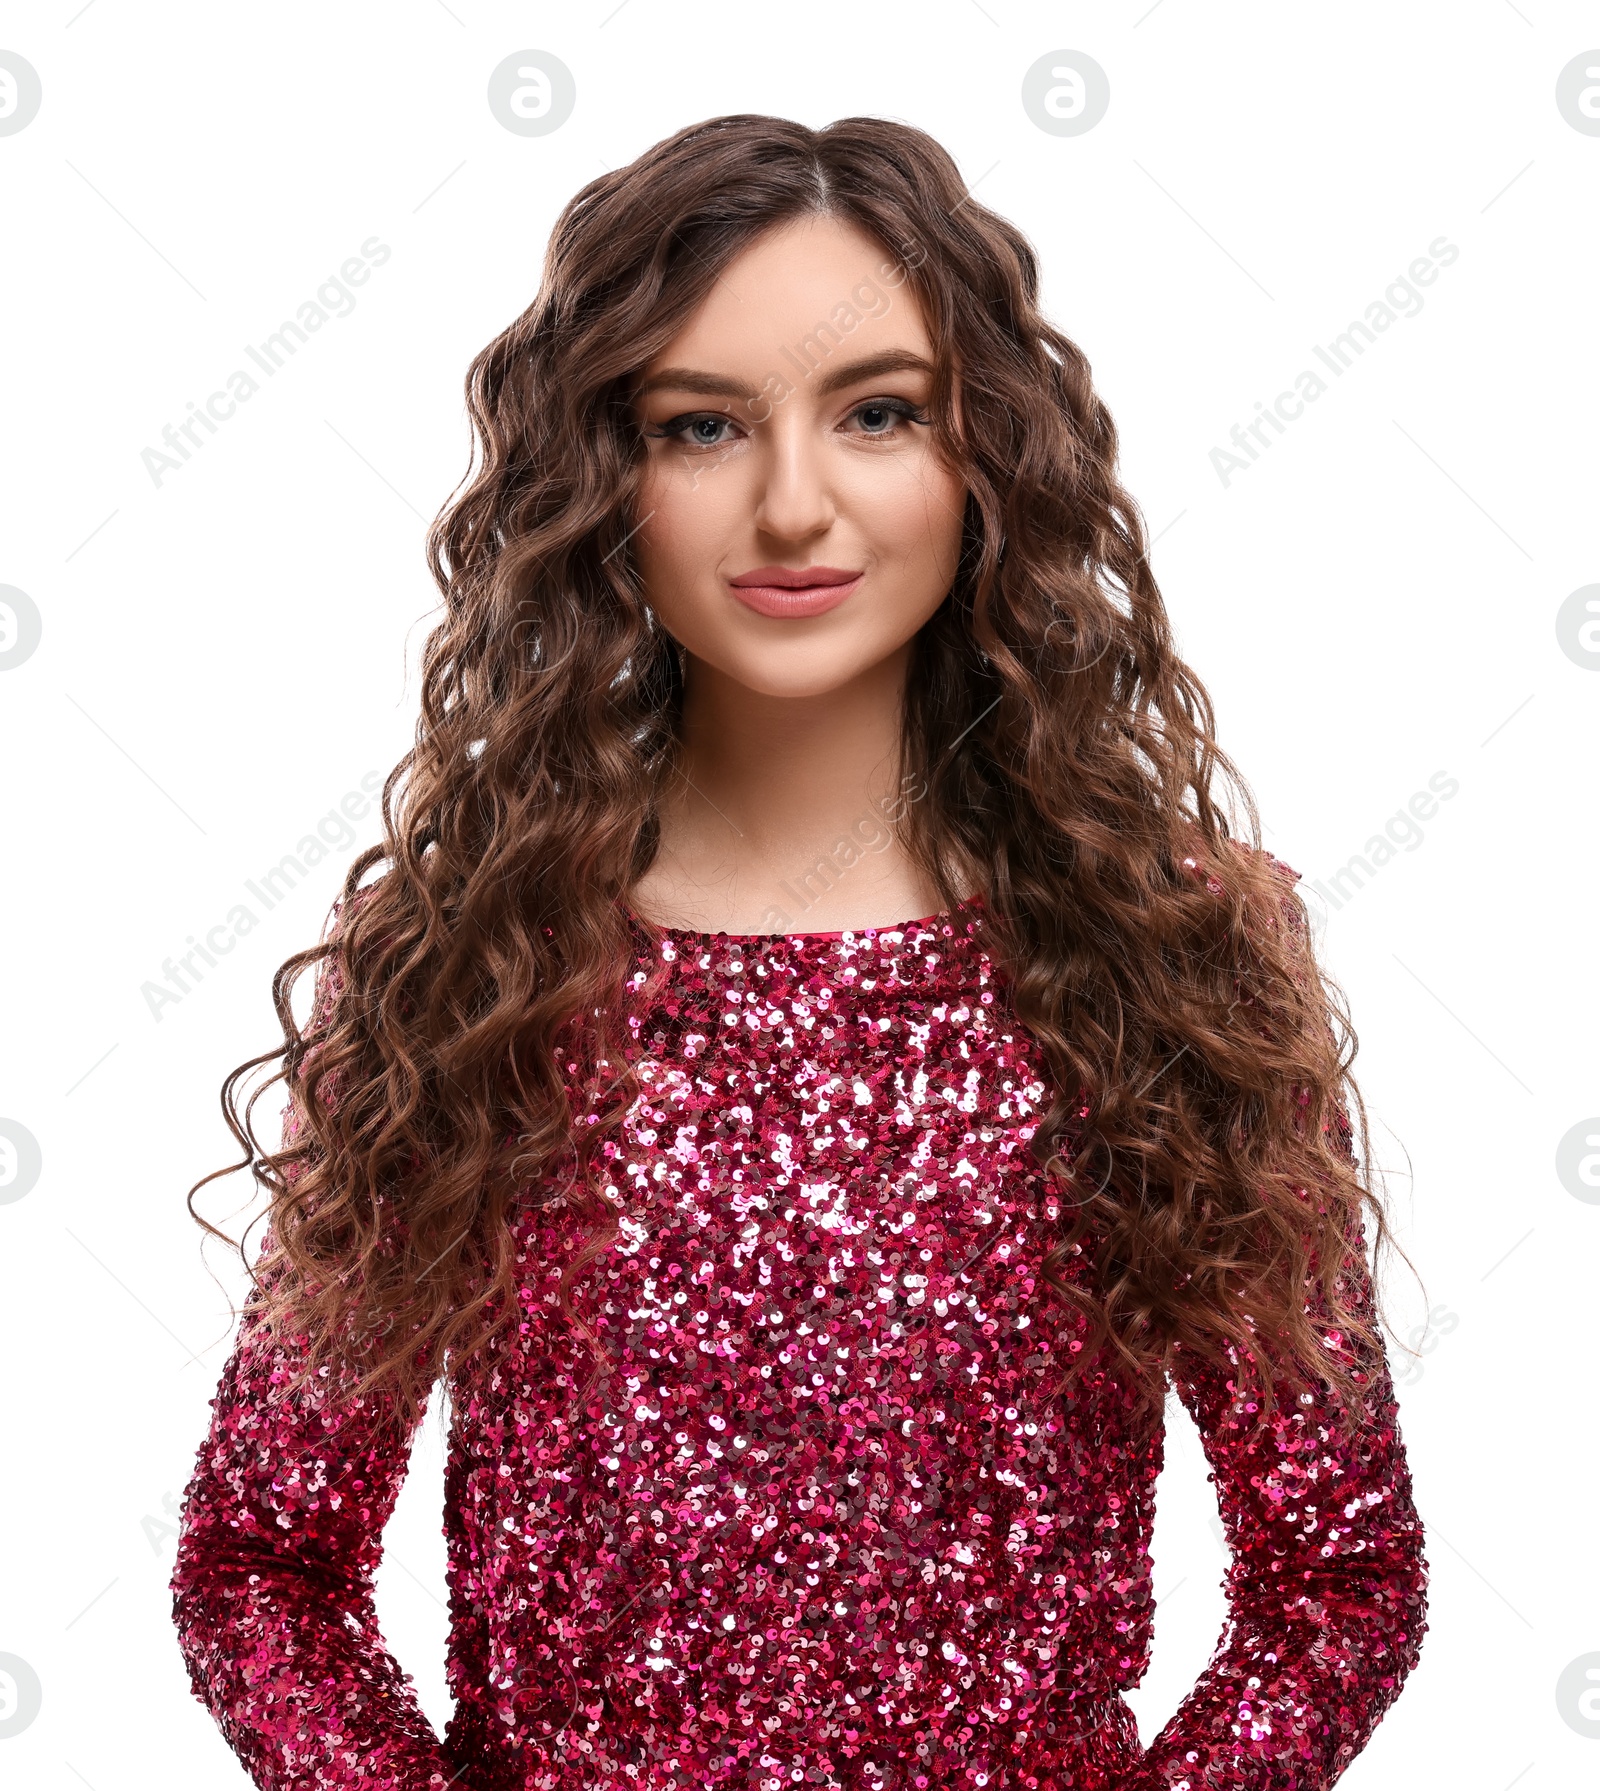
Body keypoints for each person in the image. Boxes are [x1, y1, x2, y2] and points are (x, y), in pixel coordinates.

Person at [169, 114, 1429, 1791]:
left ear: (986, 457)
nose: (791, 506)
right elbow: (267, 1573)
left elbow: (1333, 1587)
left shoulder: (1177, 950)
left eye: (878, 414)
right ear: (602, 476)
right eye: (703, 426)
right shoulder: (458, 965)